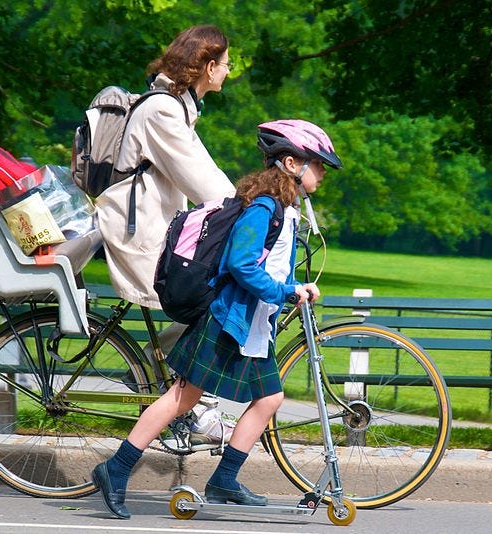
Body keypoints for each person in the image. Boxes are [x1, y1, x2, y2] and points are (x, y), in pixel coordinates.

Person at [91, 119, 343, 519]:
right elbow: (242, 265)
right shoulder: (264, 206)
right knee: (182, 398)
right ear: (292, 163)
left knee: (270, 398)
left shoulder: (284, 208)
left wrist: (294, 287)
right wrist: (285, 292)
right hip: (228, 320)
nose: (323, 171)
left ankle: (224, 479)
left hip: (252, 325)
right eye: (317, 163)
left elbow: (270, 265)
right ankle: (115, 469)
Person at [96, 25, 238, 443]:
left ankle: (155, 376)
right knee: (210, 298)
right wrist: (250, 212)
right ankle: (186, 403)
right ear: (208, 67)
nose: (228, 72)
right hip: (140, 235)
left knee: (209, 295)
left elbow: (206, 170)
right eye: (226, 64)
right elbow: (204, 181)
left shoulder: (177, 107)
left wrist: (248, 204)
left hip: (159, 231)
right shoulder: (162, 110)